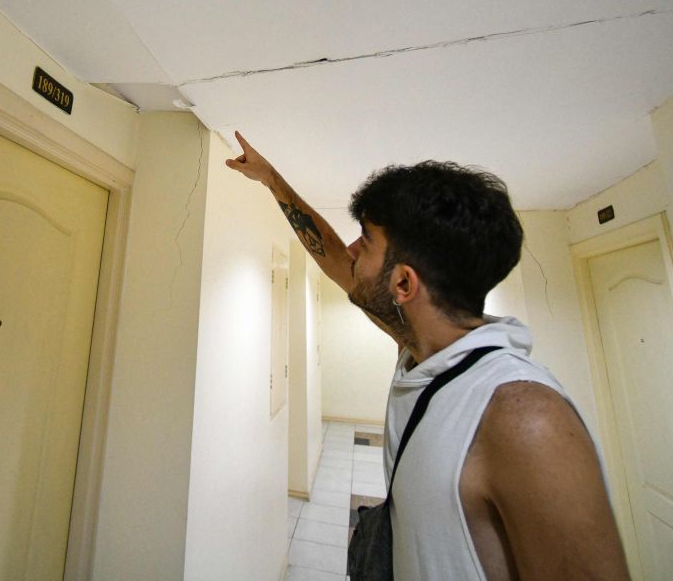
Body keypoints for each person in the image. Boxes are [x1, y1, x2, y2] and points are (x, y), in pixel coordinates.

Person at [226, 132, 629, 581]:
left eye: (366, 240)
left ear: (404, 285)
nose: (351, 250)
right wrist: (269, 179)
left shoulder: (525, 418)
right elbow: (335, 259)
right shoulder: (419, 349)